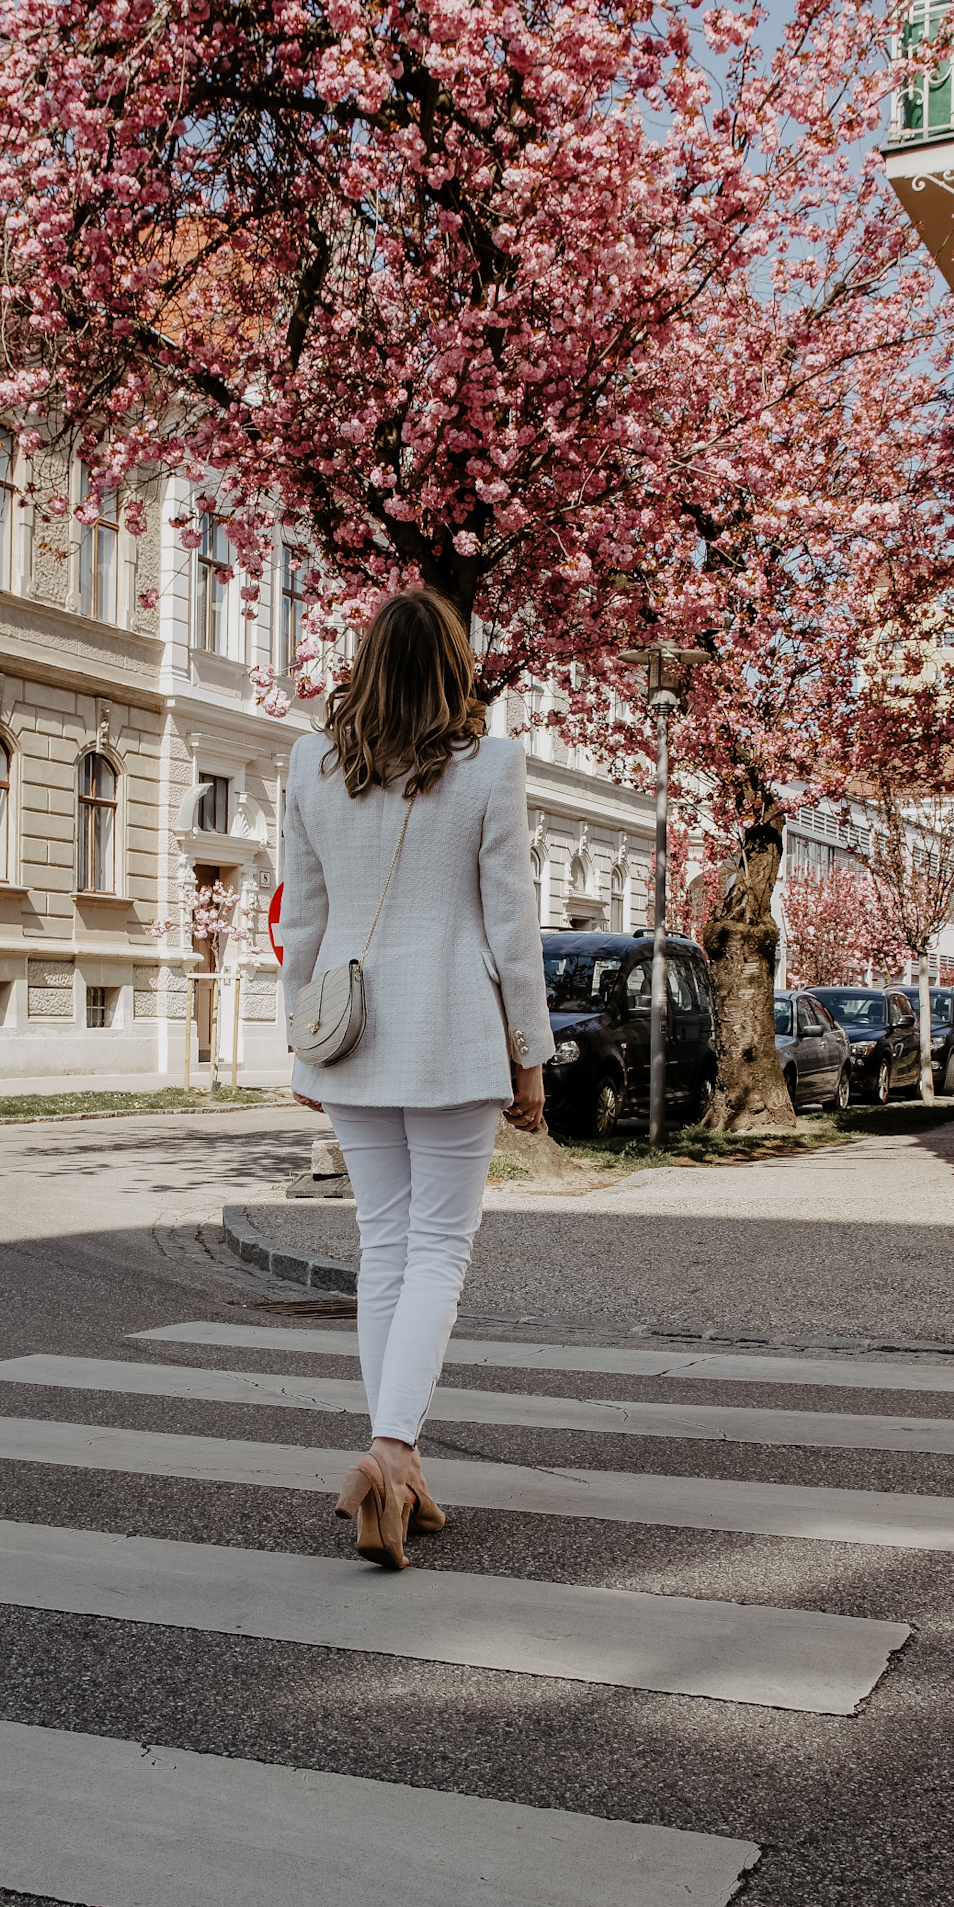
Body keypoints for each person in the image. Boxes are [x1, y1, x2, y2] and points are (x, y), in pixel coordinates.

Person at [279, 588, 554, 1570]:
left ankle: (405, 1467)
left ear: (366, 661)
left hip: (350, 1034)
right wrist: (530, 1056)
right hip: (450, 1030)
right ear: (454, 664)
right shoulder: (488, 766)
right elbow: (510, 925)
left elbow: (300, 923)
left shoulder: (311, 763)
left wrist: (297, 1042)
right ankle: (390, 1455)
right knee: (436, 1248)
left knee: (385, 1246)